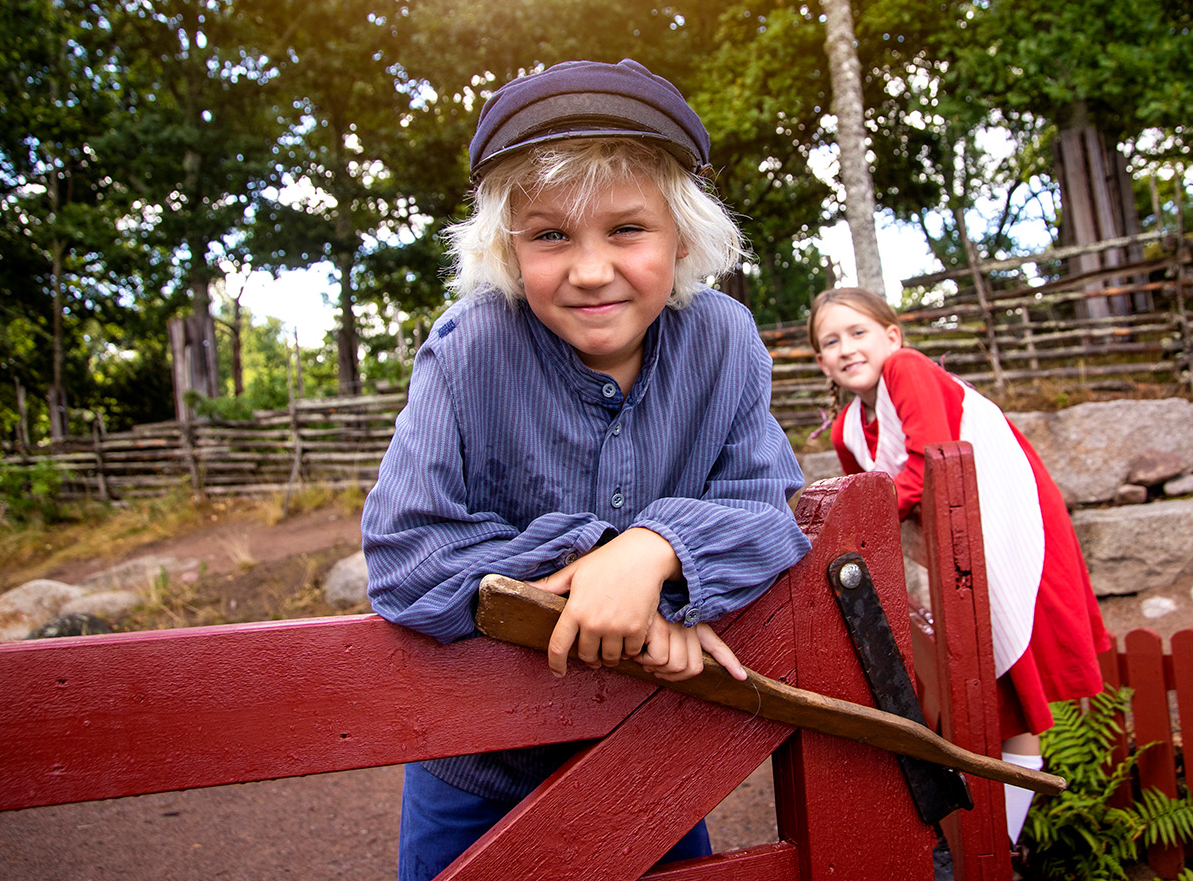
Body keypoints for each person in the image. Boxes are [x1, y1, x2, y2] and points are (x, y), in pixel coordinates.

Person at [362, 58, 811, 881]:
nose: (592, 269)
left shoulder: (725, 341)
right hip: (479, 762)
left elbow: (765, 508)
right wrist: (599, 563)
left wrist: (655, 551)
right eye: (551, 235)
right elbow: (407, 555)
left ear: (682, 236)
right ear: (507, 247)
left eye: (627, 229)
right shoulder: (468, 350)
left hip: (644, 750)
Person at [808, 286, 1110, 847]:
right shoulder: (848, 426)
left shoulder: (907, 368)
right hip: (951, 556)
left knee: (1009, 693)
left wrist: (849, 527)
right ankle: (969, 839)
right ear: (822, 362)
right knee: (969, 691)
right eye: (831, 341)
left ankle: (999, 844)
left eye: (858, 332)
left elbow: (924, 465)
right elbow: (873, 510)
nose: (846, 348)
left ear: (891, 336)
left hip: (1007, 524)